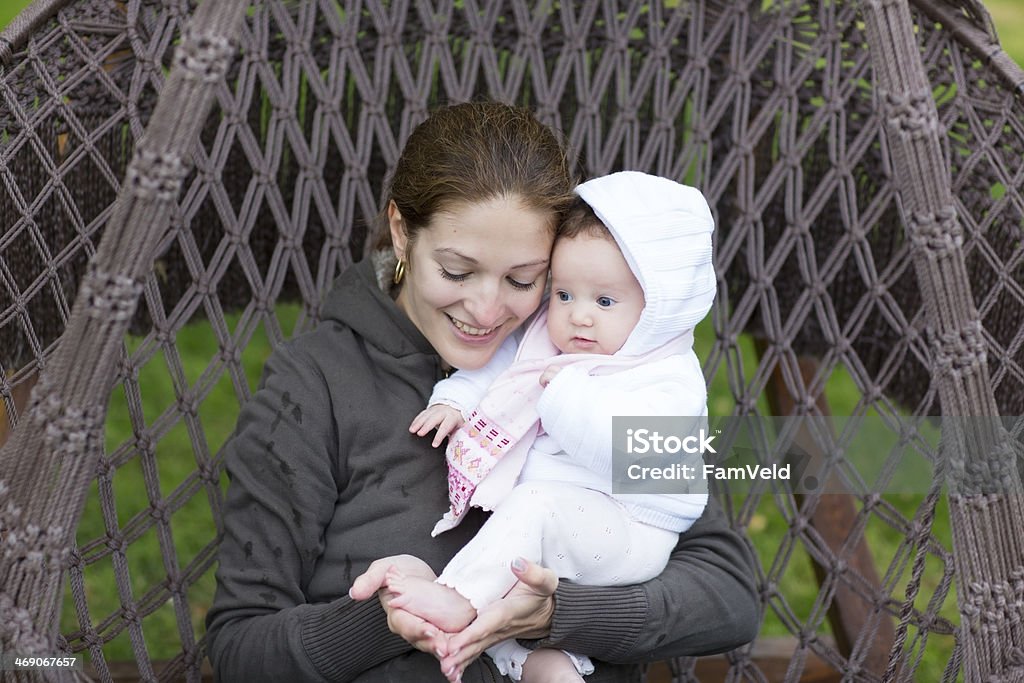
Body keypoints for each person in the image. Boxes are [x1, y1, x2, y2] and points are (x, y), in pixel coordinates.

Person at [205, 101, 760, 683]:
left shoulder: (590, 364)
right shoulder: (317, 385)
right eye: (456, 271)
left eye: (525, 279)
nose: (488, 311)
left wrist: (556, 615)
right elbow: (242, 647)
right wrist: (389, 615)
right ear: (401, 232)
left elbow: (726, 595)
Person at [377, 172, 715, 683]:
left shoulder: (668, 378)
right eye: (563, 295)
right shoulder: (552, 343)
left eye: (604, 302)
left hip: (631, 532)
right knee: (523, 563)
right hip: (561, 528)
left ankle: (456, 597)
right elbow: (501, 371)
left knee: (534, 508)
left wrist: (562, 396)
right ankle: (542, 666)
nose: (579, 316)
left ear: (658, 312)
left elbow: (623, 451)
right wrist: (455, 399)